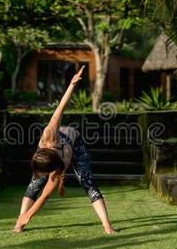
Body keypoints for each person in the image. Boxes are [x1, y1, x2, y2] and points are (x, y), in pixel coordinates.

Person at [13, 65, 116, 234]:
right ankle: (19, 224)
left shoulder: (55, 158)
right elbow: (60, 108)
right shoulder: (47, 137)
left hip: (75, 143)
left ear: (53, 169)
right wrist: (72, 84)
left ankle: (107, 226)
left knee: (88, 183)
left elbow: (45, 196)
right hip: (56, 152)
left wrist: (30, 214)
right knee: (34, 184)